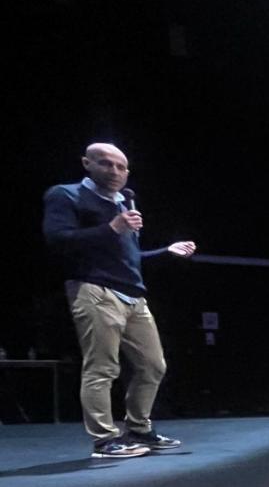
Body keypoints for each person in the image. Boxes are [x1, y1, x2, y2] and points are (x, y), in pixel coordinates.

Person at [43, 142, 197, 458]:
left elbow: (129, 257)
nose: (114, 171)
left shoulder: (125, 202)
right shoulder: (66, 195)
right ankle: (104, 440)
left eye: (121, 166)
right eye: (105, 163)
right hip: (94, 289)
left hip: (133, 295)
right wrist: (111, 227)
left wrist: (165, 252)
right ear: (87, 163)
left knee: (154, 366)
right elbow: (58, 240)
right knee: (102, 368)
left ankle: (139, 428)